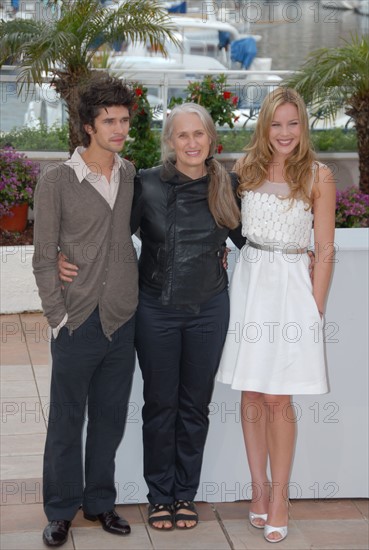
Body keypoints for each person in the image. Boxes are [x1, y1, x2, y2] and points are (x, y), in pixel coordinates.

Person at [60, 102, 246, 530]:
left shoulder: (228, 184)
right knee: (160, 405)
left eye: (198, 134)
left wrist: (301, 252)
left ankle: (186, 494)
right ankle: (159, 496)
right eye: (182, 135)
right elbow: (105, 233)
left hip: (209, 310)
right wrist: (58, 253)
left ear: (210, 138)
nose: (192, 143)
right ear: (170, 141)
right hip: (156, 310)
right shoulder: (145, 184)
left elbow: (250, 240)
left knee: (194, 406)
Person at [217, 87, 336, 543]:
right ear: (264, 125)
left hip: (292, 292)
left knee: (278, 399)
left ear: (303, 126)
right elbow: (227, 228)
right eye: (276, 123)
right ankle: (258, 489)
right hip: (249, 286)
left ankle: (282, 496)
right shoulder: (243, 169)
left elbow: (324, 249)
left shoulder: (319, 175)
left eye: (293, 123)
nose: (285, 132)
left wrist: (316, 307)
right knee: (250, 394)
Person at [33, 73, 138, 547]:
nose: (119, 128)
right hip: (76, 320)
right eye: (109, 121)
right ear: (87, 127)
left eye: (124, 119)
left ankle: (99, 503)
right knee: (67, 419)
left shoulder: (131, 173)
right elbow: (42, 256)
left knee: (111, 418)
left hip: (122, 316)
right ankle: (59, 510)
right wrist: (57, 316)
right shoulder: (57, 180)